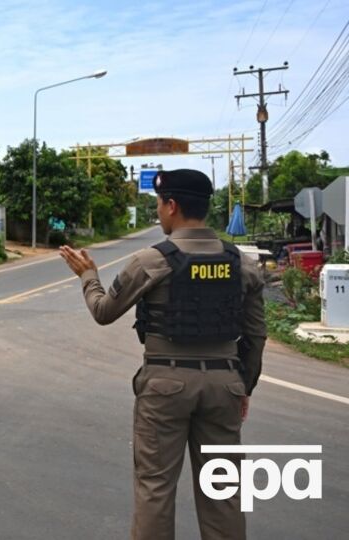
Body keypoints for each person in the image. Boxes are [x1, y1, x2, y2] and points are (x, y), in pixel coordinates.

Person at [58, 169, 266, 540]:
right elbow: (256, 335)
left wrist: (88, 276)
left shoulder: (151, 261)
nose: (158, 211)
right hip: (225, 387)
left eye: (158, 204)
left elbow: (104, 311)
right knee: (223, 492)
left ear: (171, 206)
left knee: (155, 489)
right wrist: (243, 387)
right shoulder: (241, 264)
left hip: (164, 386)